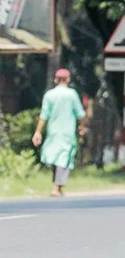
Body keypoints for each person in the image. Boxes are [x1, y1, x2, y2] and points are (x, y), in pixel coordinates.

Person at [32, 68, 87, 197]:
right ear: (68, 80)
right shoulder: (72, 94)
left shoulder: (49, 95)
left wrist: (38, 132)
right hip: (67, 133)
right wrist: (82, 126)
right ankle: (57, 187)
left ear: (55, 80)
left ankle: (57, 185)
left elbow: (43, 115)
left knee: (52, 157)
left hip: (53, 132)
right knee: (64, 159)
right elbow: (80, 114)